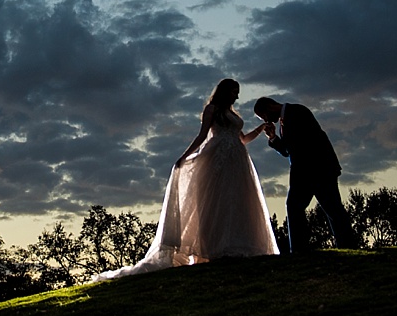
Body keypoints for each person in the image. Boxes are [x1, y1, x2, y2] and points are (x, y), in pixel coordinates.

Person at [92, 79, 279, 280]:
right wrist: (184, 156)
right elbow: (201, 136)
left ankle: (237, 244)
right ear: (225, 92)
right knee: (218, 202)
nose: (237, 96)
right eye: (234, 92)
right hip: (219, 158)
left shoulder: (233, 115)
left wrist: (260, 130)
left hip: (238, 160)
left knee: (237, 201)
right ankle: (217, 248)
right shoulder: (212, 109)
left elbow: (242, 139)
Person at [253, 96, 358, 252]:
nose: (268, 120)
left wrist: (279, 141)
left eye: (265, 116)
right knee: (302, 207)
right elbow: (289, 150)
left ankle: (343, 245)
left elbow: (298, 146)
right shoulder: (286, 118)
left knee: (331, 208)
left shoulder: (297, 112)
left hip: (317, 170)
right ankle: (301, 249)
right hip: (308, 172)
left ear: (269, 107)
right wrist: (273, 138)